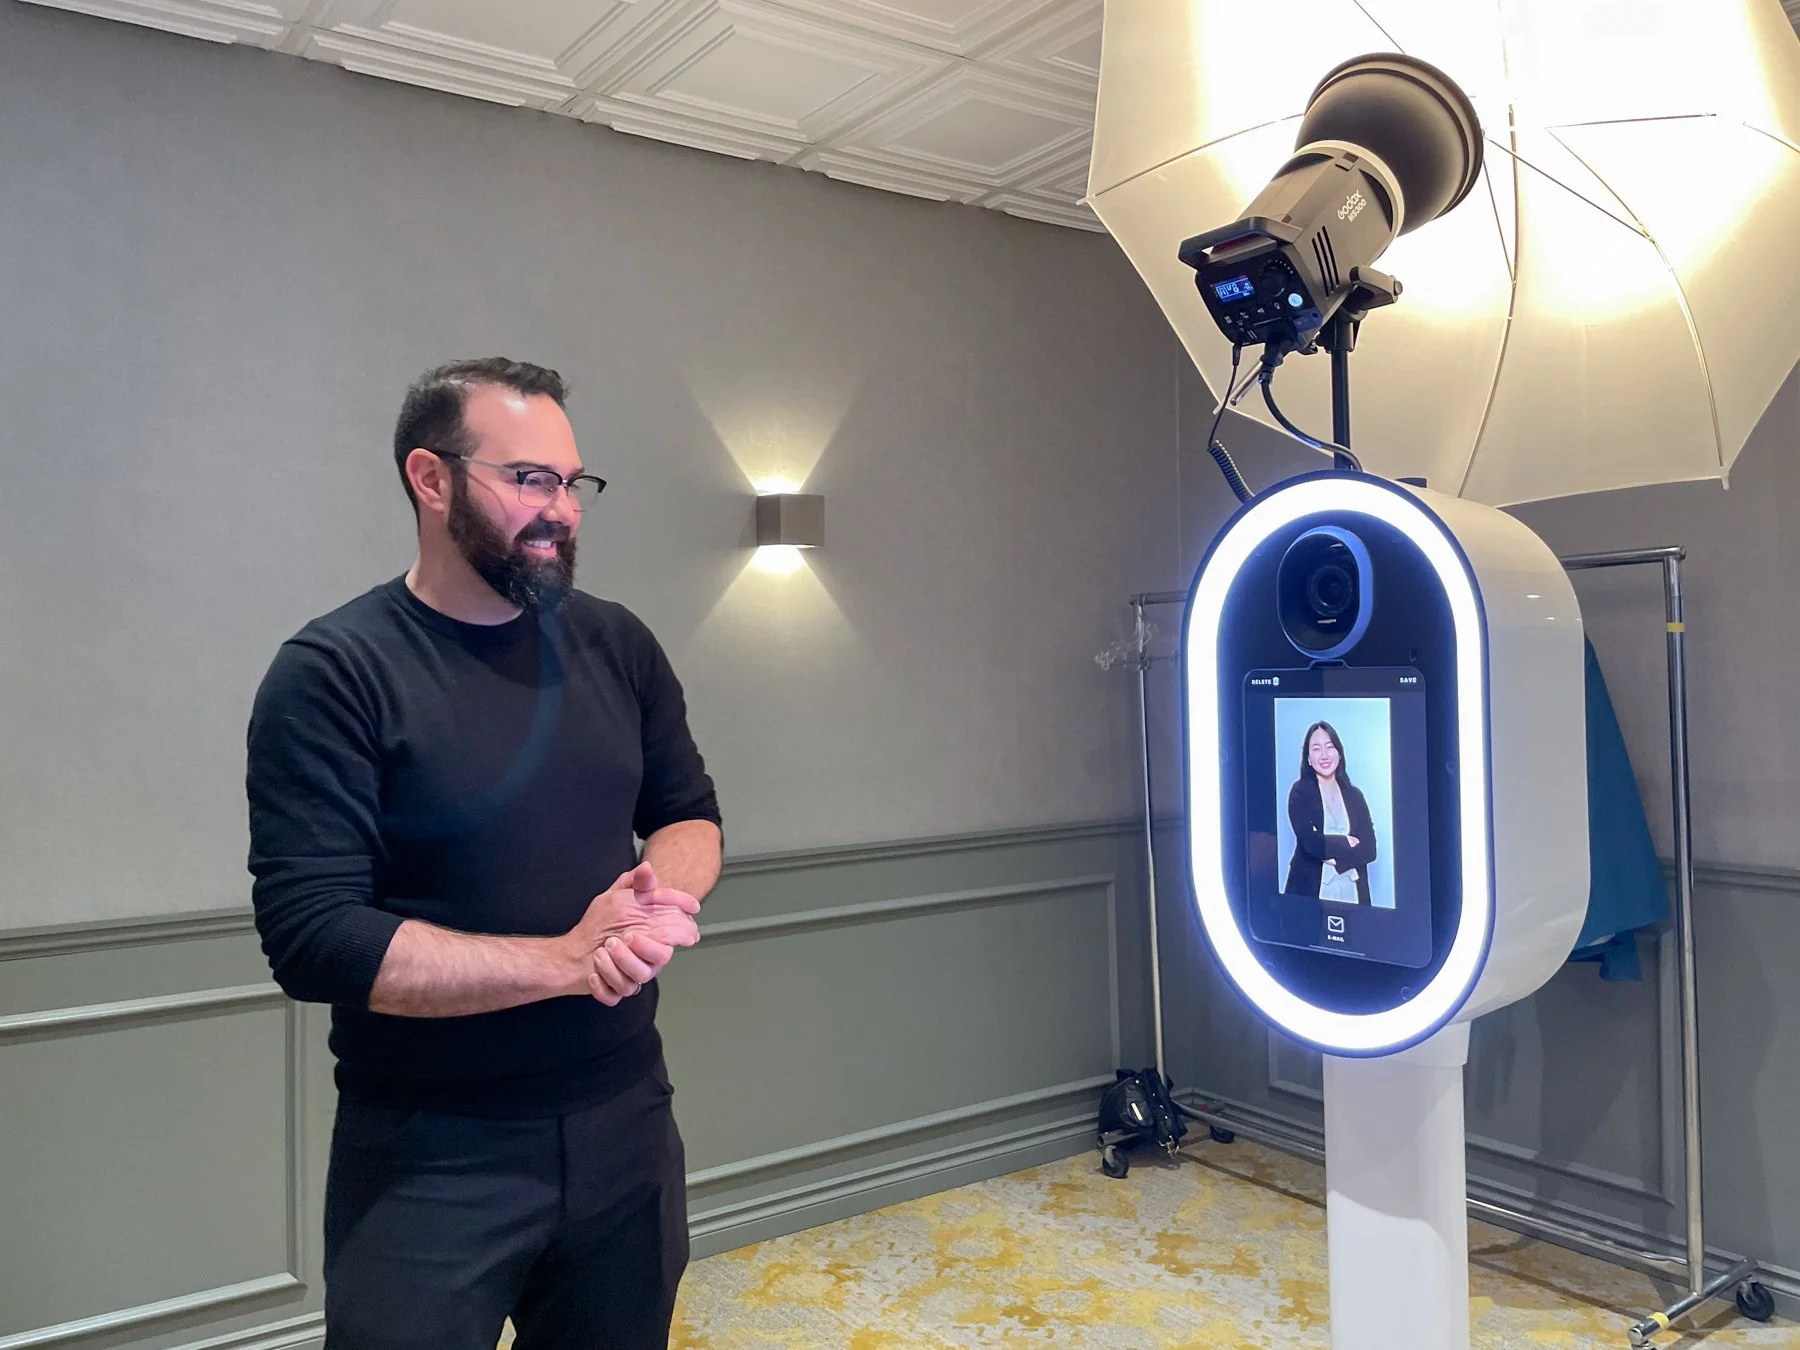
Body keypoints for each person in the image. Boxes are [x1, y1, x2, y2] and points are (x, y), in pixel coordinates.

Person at [244, 358, 723, 1350]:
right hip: (427, 1154)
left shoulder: (618, 644)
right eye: (530, 479)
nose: (563, 510)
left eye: (573, 483)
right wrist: (567, 960)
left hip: (626, 1120)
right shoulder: (335, 672)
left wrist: (656, 907)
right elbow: (315, 939)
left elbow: (688, 815)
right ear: (432, 479)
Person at [1283, 720, 1376, 905]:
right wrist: (1346, 842)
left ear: (1339, 753)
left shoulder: (1355, 795)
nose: (1324, 755)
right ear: (1308, 758)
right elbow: (1309, 843)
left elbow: (1369, 849)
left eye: (1330, 747)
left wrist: (1334, 859)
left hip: (1352, 888)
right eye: (1316, 749)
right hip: (1310, 888)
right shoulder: (1300, 792)